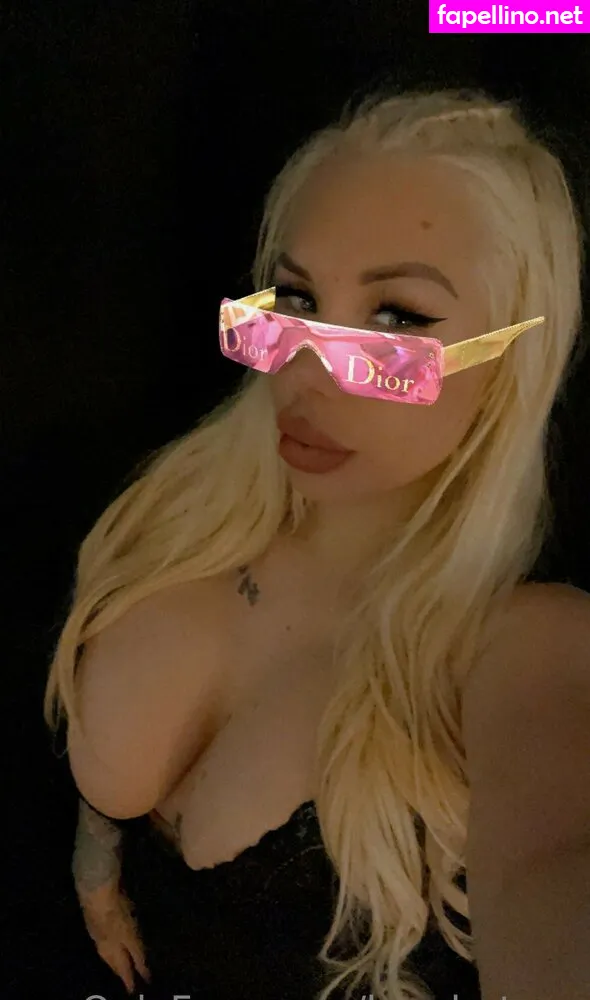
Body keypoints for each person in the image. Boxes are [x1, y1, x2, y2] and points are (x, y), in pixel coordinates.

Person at [44, 86, 585, 1000]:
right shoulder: (172, 514)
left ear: (511, 364)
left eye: (396, 319)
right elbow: (104, 792)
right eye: (294, 299)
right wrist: (97, 882)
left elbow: (553, 873)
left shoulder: (521, 649)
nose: (302, 370)